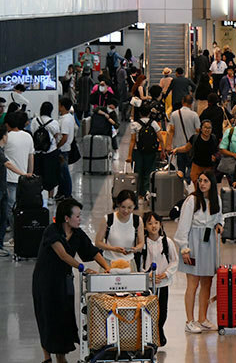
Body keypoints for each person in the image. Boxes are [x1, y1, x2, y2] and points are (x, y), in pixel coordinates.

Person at [32, 198, 109, 363]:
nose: (80, 219)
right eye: (77, 216)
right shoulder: (52, 231)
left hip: (64, 281)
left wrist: (107, 267)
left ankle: (61, 356)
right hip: (45, 281)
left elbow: (92, 251)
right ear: (67, 218)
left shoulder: (77, 234)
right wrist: (82, 268)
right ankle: (47, 357)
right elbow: (63, 255)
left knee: (64, 317)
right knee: (46, 316)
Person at [174, 170, 224, 333]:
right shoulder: (192, 200)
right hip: (194, 243)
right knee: (193, 283)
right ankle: (189, 320)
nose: (202, 184)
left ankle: (203, 318)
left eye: (206, 181)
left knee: (207, 282)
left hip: (209, 243)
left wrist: (219, 225)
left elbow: (219, 217)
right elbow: (183, 225)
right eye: (200, 180)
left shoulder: (216, 200)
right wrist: (184, 248)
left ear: (212, 183)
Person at [140, 211, 178, 347]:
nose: (153, 226)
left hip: (163, 283)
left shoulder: (167, 242)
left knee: (162, 310)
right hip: (148, 284)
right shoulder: (143, 244)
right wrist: (147, 275)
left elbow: (174, 261)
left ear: (160, 225)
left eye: (156, 223)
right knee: (148, 310)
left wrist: (167, 273)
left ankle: (159, 330)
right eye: (149, 223)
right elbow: (139, 264)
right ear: (144, 227)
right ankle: (149, 335)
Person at [0, 125, 32, 255]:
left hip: (3, 188)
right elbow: (7, 164)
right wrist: (23, 173)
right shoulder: (0, 152)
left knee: (3, 216)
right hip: (1, 189)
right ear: (3, 136)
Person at [94, 190, 144, 269]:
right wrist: (113, 249)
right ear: (118, 205)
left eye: (130, 207)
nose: (126, 211)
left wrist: (134, 249)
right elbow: (98, 242)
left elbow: (141, 243)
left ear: (134, 206)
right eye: (123, 207)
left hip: (129, 263)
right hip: (109, 263)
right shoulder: (108, 219)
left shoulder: (137, 220)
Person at [4, 112, 34, 241]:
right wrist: (29, 174)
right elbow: (31, 156)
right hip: (24, 178)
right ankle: (20, 233)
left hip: (9, 177)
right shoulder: (27, 136)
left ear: (7, 124)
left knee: (10, 207)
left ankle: (15, 235)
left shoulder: (6, 137)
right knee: (21, 207)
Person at [126, 104, 165, 199]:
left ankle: (139, 194)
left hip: (138, 151)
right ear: (149, 113)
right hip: (151, 151)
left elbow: (132, 141)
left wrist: (129, 156)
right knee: (149, 171)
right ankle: (147, 192)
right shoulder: (154, 123)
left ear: (139, 113)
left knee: (138, 171)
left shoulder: (135, 124)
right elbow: (161, 139)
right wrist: (162, 151)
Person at [173, 119, 219, 185]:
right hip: (197, 167)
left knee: (207, 187)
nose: (207, 130)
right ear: (201, 128)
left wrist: (215, 156)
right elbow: (186, 148)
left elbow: (217, 151)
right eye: (205, 127)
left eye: (209, 128)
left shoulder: (213, 138)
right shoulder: (195, 138)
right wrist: (177, 149)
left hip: (209, 168)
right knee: (196, 186)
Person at [31, 102, 61, 203]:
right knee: (51, 174)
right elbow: (57, 136)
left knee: (38, 174)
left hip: (37, 152)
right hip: (50, 152)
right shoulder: (54, 122)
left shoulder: (35, 120)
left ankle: (37, 196)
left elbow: (32, 132)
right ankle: (50, 198)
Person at [167, 95, 201, 181]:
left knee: (180, 171)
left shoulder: (174, 114)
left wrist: (168, 145)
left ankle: (181, 189)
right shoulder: (194, 115)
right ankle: (189, 186)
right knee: (191, 170)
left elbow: (171, 131)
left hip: (178, 148)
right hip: (190, 148)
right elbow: (198, 130)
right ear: (191, 103)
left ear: (182, 102)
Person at [57, 98, 75, 200]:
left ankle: (67, 194)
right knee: (61, 173)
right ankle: (61, 193)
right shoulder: (68, 117)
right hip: (64, 148)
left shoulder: (65, 120)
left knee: (65, 173)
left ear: (63, 106)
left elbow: (64, 137)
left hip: (63, 149)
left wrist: (57, 147)